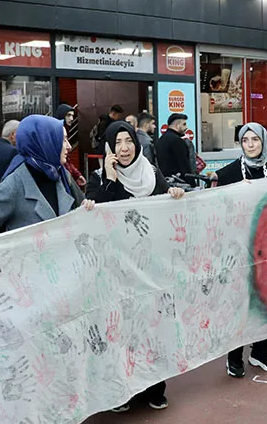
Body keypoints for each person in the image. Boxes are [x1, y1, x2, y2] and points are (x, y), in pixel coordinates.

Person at [85, 121, 185, 412]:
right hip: (116, 270)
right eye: (117, 143)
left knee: (152, 328)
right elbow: (100, 214)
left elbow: (165, 212)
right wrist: (111, 176)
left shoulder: (152, 174)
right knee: (122, 330)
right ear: (109, 148)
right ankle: (122, 391)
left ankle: (154, 388)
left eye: (128, 141)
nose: (124, 148)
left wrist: (174, 196)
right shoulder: (97, 178)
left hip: (150, 267)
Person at [213, 123, 267, 377]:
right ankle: (234, 356)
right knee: (240, 303)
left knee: (266, 301)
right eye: (246, 140)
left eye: (256, 140)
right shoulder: (228, 173)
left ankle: (261, 351)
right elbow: (217, 211)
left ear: (264, 142)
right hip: (239, 249)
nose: (251, 145)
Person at [0, 115, 90, 239]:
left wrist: (88, 207)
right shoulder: (14, 184)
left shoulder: (62, 175)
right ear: (44, 142)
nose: (69, 146)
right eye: (62, 140)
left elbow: (81, 209)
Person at [54, 105, 87, 188]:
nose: (72, 119)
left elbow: (67, 160)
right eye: (68, 115)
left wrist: (76, 175)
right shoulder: (56, 132)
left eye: (72, 116)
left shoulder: (66, 130)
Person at [156, 114, 193, 181]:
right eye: (184, 124)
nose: (186, 127)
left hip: (165, 181)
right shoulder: (177, 141)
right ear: (177, 125)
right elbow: (184, 166)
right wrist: (192, 183)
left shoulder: (161, 140)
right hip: (179, 181)